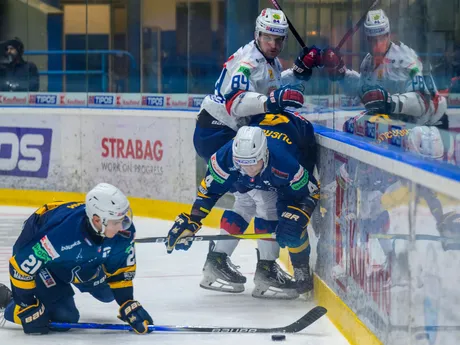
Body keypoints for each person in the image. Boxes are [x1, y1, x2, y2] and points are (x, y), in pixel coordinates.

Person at [192, 8, 321, 298]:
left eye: (279, 39)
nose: (273, 43)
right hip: (221, 131)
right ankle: (266, 270)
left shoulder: (266, 59)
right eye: (268, 37)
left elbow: (268, 87)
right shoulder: (249, 61)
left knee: (247, 202)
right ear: (257, 34)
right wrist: (275, 99)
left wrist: (298, 71)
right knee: (267, 200)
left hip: (216, 130)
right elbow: (236, 104)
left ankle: (217, 261)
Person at [167, 110, 319, 300]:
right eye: (242, 164)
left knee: (282, 217)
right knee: (254, 202)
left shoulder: (285, 163)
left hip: (294, 144)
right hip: (258, 156)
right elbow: (209, 191)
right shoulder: (225, 158)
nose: (248, 171)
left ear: (265, 154)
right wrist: (192, 221)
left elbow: (311, 190)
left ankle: (292, 266)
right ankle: (264, 267)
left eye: (253, 164)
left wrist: (299, 214)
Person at [0, 183, 153, 335]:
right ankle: (7, 300)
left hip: (75, 256)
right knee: (64, 317)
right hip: (43, 257)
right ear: (97, 220)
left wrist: (127, 302)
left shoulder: (122, 230)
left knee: (108, 293)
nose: (122, 227)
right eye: (115, 222)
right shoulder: (60, 237)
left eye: (123, 218)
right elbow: (20, 266)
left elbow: (120, 271)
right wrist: (27, 306)